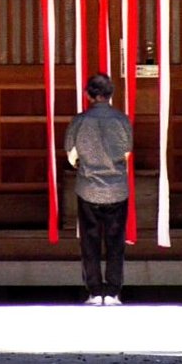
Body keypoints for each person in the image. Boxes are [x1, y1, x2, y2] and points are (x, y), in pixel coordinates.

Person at [64, 73, 133, 306]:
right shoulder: (121, 120)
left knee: (90, 241)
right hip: (117, 188)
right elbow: (126, 154)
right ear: (110, 94)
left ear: (88, 94)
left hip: (88, 186)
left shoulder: (79, 120)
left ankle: (94, 291)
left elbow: (71, 156)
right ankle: (113, 291)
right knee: (115, 241)